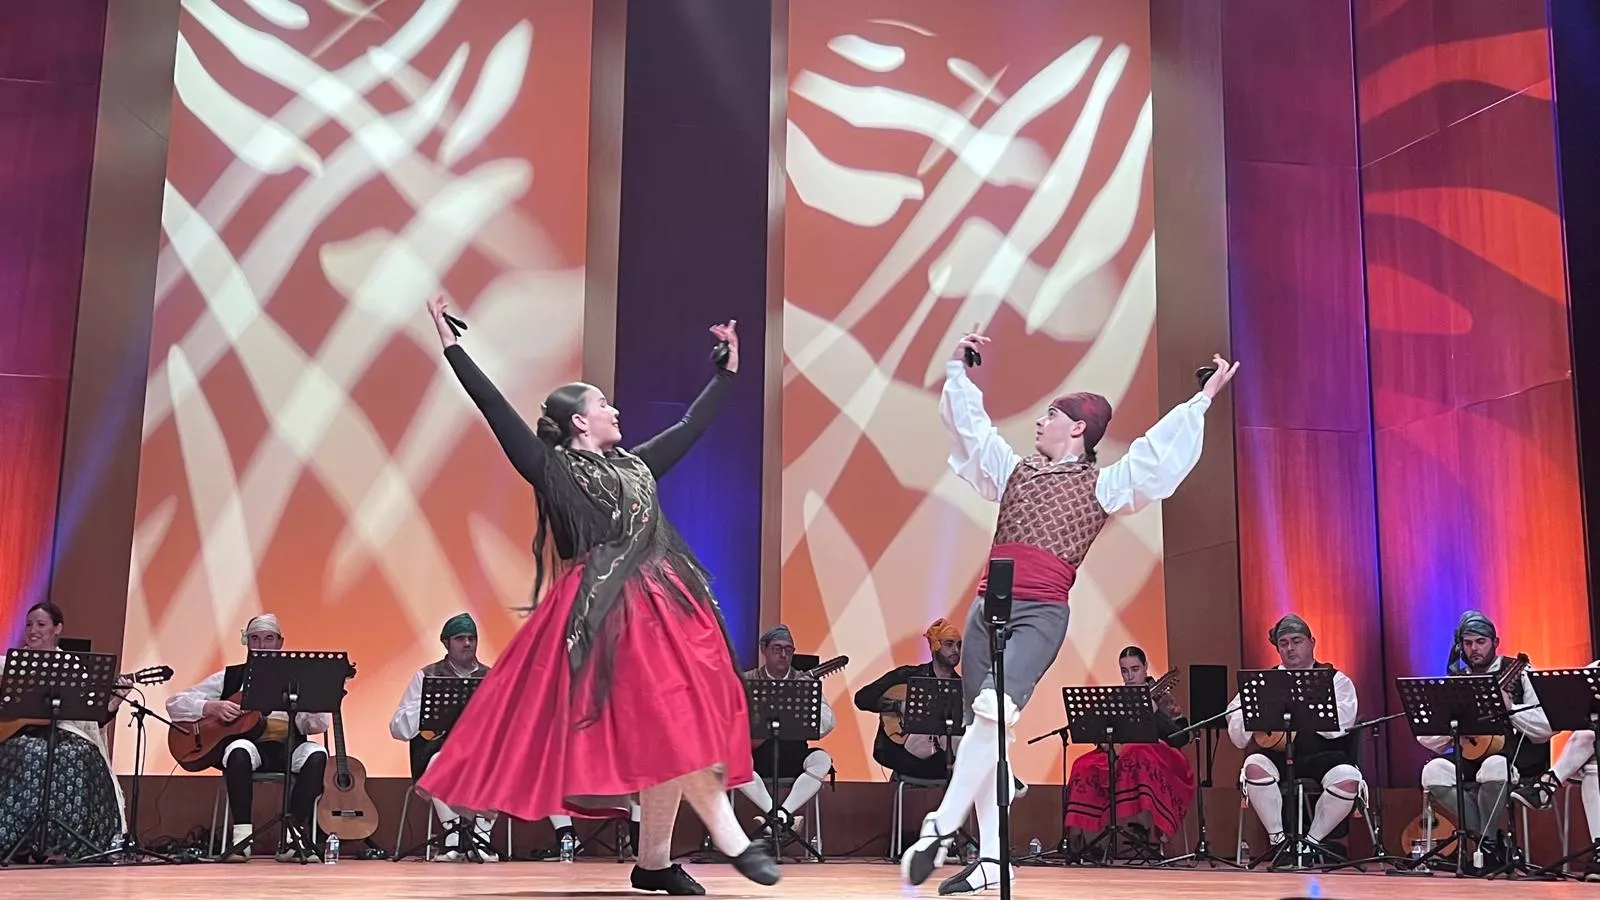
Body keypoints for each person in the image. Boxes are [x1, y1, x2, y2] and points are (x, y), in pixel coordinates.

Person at [414, 296, 778, 892]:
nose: (615, 410)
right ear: (580, 421)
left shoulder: (636, 467)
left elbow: (689, 427)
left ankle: (654, 864)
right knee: (671, 720)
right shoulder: (551, 468)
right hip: (605, 613)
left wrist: (726, 374)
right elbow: (494, 408)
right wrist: (454, 348)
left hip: (665, 607)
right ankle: (730, 836)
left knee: (673, 728)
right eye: (603, 404)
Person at [901, 331, 1237, 895]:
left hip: (1041, 613)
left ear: (1078, 427)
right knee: (985, 731)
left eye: (1050, 414)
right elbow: (971, 428)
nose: (1038, 422)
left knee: (991, 711)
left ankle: (940, 825)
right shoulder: (1013, 470)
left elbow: (1157, 454)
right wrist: (958, 369)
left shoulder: (1102, 484)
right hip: (988, 607)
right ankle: (988, 862)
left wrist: (1200, 401)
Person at [166, 613, 330, 861]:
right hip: (250, 748)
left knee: (318, 754)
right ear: (247, 642)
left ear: (280, 642)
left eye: (268, 639)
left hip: (288, 749)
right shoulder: (230, 677)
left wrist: (310, 702)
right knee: (238, 750)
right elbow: (175, 704)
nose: (262, 645)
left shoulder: (296, 679)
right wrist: (211, 707)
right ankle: (241, 840)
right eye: (255, 639)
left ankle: (292, 839)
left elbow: (318, 724)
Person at [1226, 615, 1365, 863]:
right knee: (1254, 766)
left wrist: (1308, 703)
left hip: (1322, 755)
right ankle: (1279, 842)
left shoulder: (1335, 679)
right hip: (1277, 755)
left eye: (1297, 641)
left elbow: (1342, 724)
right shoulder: (1261, 682)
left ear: (1312, 642)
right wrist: (1255, 714)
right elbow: (1236, 731)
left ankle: (1310, 845)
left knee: (1348, 779)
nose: (1290, 648)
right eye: (1284, 643)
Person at [1418, 610, 1550, 870]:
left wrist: (1509, 708)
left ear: (1495, 642)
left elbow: (1546, 726)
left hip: (1516, 757)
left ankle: (1485, 845)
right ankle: (1491, 842)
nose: (1474, 649)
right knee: (1432, 772)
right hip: (1471, 758)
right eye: (1467, 643)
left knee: (1494, 767)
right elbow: (1429, 738)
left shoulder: (1519, 671)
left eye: (1480, 642)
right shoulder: (1458, 680)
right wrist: (1453, 725)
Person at [0, 602, 127, 859]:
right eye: (28, 624)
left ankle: (64, 842)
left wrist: (113, 702)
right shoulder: (7, 664)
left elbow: (89, 720)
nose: (33, 630)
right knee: (26, 752)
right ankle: (14, 837)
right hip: (18, 734)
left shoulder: (71, 666)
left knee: (76, 754)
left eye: (41, 624)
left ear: (57, 628)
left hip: (64, 731)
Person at [389, 612, 501, 860]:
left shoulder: (490, 677)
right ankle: (454, 838)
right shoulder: (426, 676)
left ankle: (482, 838)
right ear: (446, 643)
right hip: (434, 752)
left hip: (477, 754)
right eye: (460, 638)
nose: (468, 643)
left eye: (472, 638)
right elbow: (397, 728)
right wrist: (430, 705)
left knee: (496, 762)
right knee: (442, 761)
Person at [1063, 646, 1194, 856]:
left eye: (1135, 669)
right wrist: (1104, 741)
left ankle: (1143, 828)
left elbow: (1181, 737)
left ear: (1145, 668)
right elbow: (1100, 731)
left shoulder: (1163, 698)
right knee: (1082, 765)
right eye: (1125, 671)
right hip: (1123, 754)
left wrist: (1155, 713)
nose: (1130, 676)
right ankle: (1081, 839)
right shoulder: (1117, 698)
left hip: (1159, 756)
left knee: (1137, 754)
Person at [739, 625, 835, 838]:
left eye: (788, 650)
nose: (783, 654)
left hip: (793, 755)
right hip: (758, 756)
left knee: (822, 759)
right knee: (735, 762)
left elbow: (827, 722)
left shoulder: (805, 682)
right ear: (764, 649)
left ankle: (777, 817)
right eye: (777, 649)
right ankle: (784, 820)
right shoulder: (746, 681)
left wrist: (796, 713)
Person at [1510, 659, 1600, 880]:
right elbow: (1579, 715)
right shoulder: (1595, 670)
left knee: (1588, 743)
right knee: (1590, 752)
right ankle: (1599, 851)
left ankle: (1545, 786)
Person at [854, 618, 964, 782]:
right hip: (904, 752)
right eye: (949, 644)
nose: (956, 650)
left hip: (944, 754)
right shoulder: (906, 676)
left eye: (959, 645)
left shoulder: (962, 686)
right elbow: (862, 698)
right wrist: (898, 705)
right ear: (935, 646)